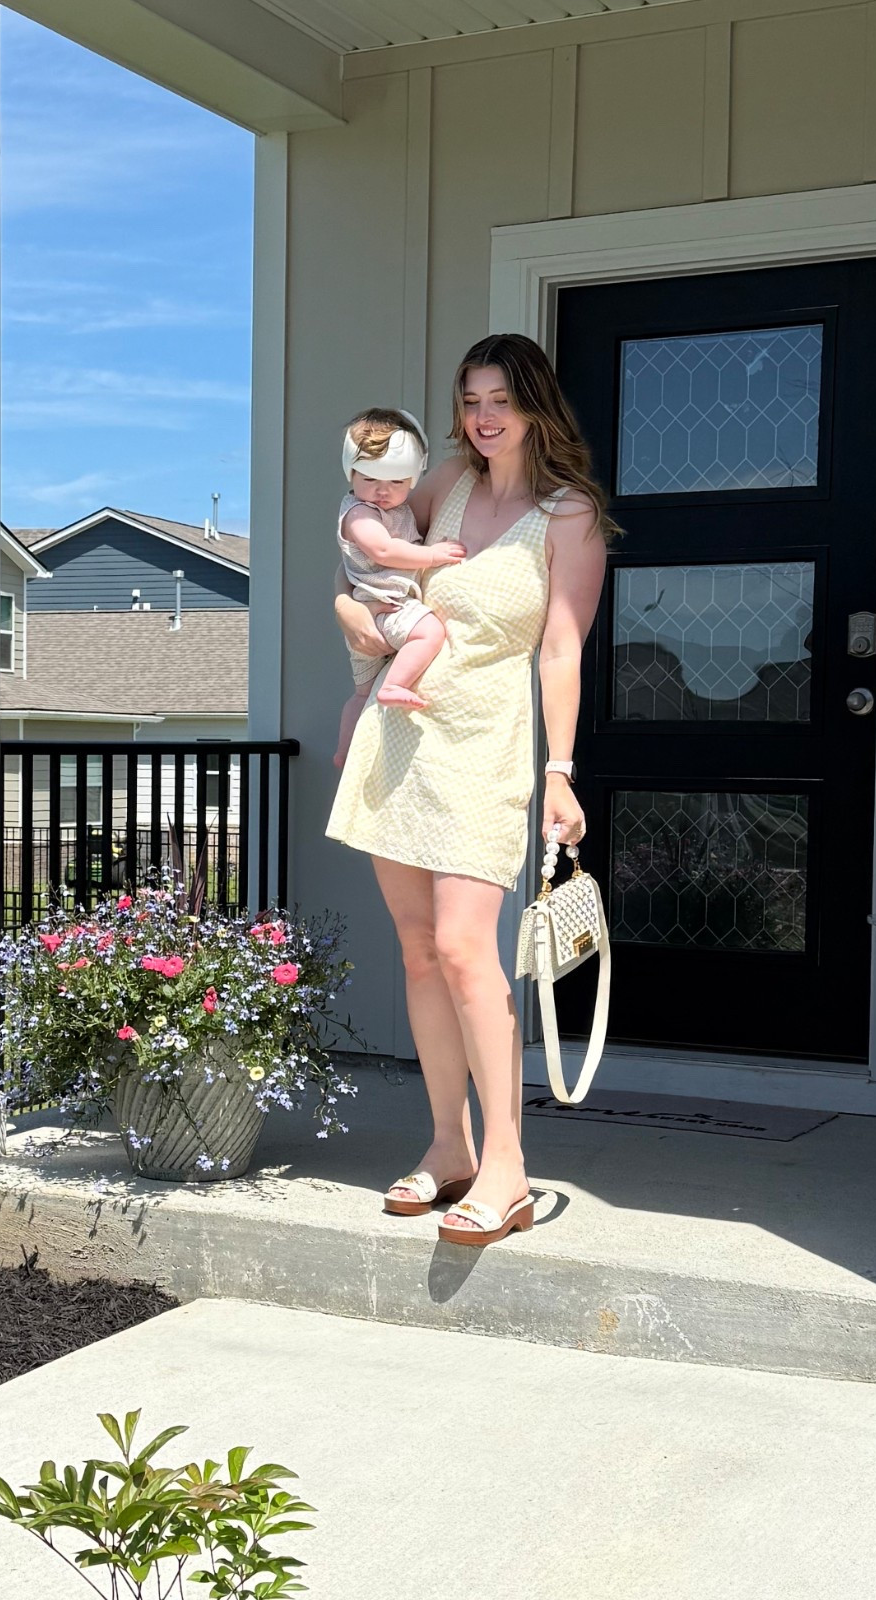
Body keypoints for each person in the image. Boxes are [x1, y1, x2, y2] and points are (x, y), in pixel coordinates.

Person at [327, 334, 611, 1247]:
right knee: (418, 952)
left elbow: (560, 649)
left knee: (463, 949)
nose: (484, 417)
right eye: (471, 399)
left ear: (534, 404)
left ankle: (507, 1166)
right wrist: (353, 619)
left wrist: (560, 771)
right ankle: (449, 1146)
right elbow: (362, 564)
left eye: (501, 399)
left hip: (488, 742)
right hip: (401, 732)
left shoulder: (569, 513)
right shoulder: (444, 482)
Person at [334, 406, 466, 768]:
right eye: (370, 479)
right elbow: (382, 549)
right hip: (383, 608)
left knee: (361, 694)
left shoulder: (398, 509)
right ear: (351, 473)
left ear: (413, 476)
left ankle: (344, 753)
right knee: (429, 632)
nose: (383, 491)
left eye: (397, 482)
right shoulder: (359, 513)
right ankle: (395, 685)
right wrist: (432, 555)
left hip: (376, 613)